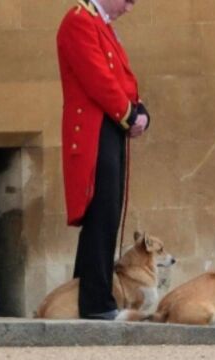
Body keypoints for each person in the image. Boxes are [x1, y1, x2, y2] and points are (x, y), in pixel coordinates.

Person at [56, 0, 149, 320]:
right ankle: (95, 302)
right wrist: (128, 115)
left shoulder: (99, 23)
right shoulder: (79, 21)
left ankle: (87, 297)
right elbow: (98, 79)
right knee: (100, 212)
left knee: (106, 213)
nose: (129, 7)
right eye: (127, 0)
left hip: (109, 125)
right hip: (95, 128)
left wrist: (140, 110)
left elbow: (122, 77)